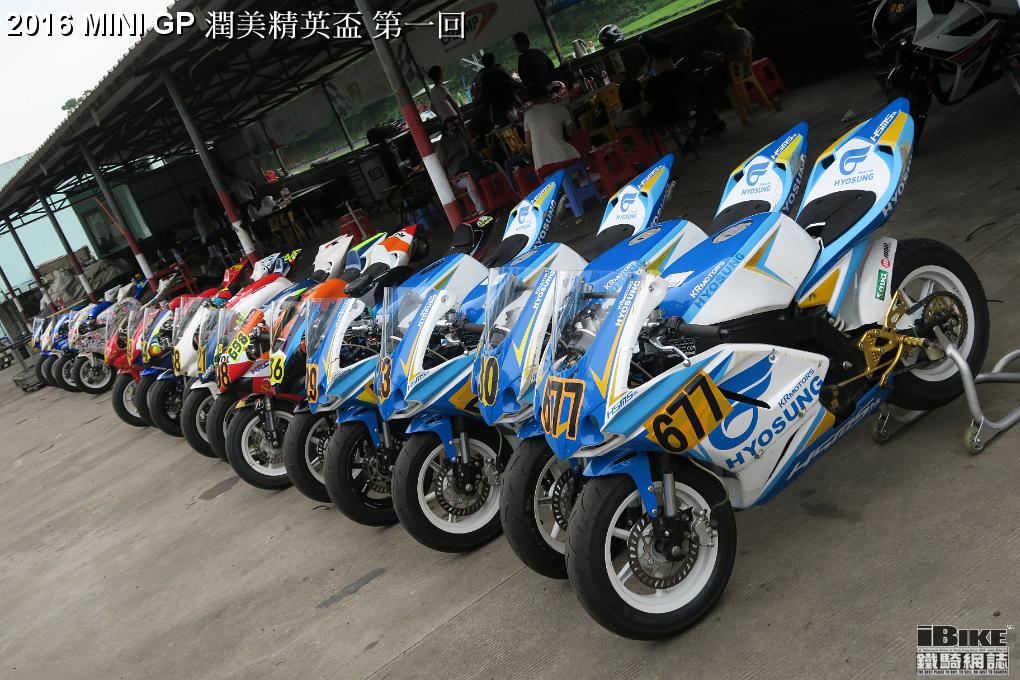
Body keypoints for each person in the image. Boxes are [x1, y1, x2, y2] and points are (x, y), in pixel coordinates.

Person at [641, 41, 725, 138]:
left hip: (669, 117)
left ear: (655, 61)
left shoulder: (654, 83)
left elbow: (644, 111)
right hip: (690, 108)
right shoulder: (686, 72)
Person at [436, 118, 496, 212]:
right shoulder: (442, 144)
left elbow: (473, 150)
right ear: (446, 131)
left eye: (455, 127)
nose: (455, 130)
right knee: (469, 180)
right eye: (452, 129)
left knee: (491, 167)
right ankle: (481, 209)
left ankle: (495, 198)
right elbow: (443, 165)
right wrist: (452, 155)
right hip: (457, 175)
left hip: (471, 166)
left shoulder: (462, 136)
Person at [522, 86, 580, 180]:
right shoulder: (560, 109)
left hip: (542, 167)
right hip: (564, 160)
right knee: (584, 136)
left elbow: (528, 147)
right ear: (548, 95)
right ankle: (581, 176)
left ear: (532, 100)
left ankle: (575, 178)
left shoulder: (527, 115)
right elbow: (573, 134)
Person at [476, 53, 520, 128]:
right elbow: (514, 84)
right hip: (511, 106)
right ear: (494, 61)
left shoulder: (483, 79)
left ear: (483, 64)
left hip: (496, 112)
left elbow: (481, 96)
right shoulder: (501, 73)